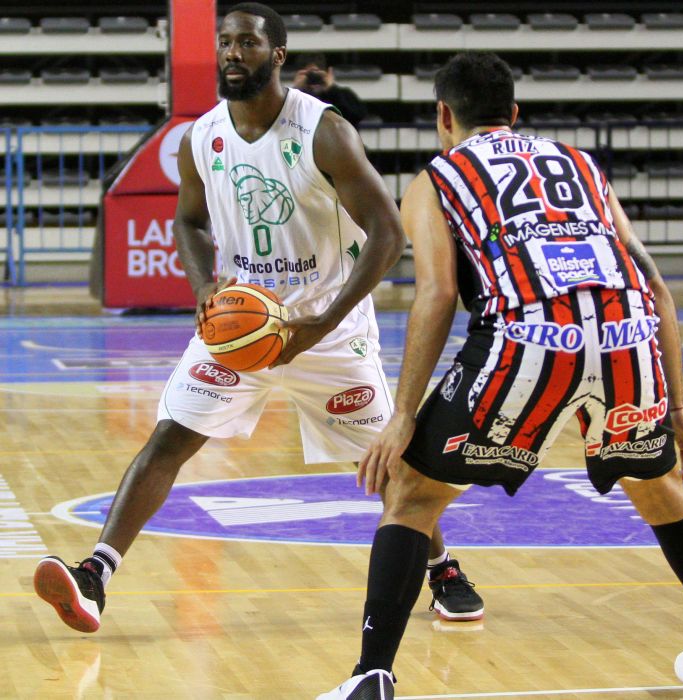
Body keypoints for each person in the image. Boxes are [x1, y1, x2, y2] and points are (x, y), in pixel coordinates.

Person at [33, 2, 483, 635]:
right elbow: (189, 221)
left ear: (277, 55)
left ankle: (444, 570)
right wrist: (202, 286)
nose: (232, 53)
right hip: (240, 321)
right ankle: (94, 576)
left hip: (329, 329)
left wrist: (322, 324)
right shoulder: (201, 137)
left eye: (246, 43)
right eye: (225, 42)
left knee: (391, 465)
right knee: (170, 437)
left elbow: (386, 234)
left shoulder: (324, 131)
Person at [318, 51, 683, 700]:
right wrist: (680, 408)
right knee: (660, 488)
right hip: (627, 339)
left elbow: (438, 294)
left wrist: (403, 415)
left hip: (528, 343)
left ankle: (371, 677)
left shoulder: (438, 177)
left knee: (412, 494)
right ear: (514, 113)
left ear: (444, 115)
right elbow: (655, 285)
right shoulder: (581, 166)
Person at [292, 52, 367, 127]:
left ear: (328, 73)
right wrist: (297, 91)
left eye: (318, 74)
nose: (314, 78)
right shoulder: (294, 98)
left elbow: (357, 116)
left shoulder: (344, 95)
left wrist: (332, 90)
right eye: (309, 75)